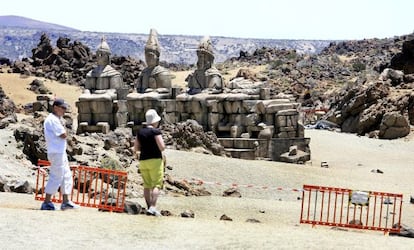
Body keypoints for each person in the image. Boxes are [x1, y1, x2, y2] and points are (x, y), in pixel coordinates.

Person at [41, 98, 79, 210]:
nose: (64, 110)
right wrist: (66, 130)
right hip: (56, 151)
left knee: (66, 175)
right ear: (55, 107)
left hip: (59, 151)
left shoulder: (56, 119)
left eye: (65, 108)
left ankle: (66, 201)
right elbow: (63, 134)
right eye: (62, 108)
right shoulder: (52, 119)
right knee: (56, 175)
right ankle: (47, 201)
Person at [134, 109, 165, 216]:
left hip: (143, 160)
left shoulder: (140, 132)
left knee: (147, 185)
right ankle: (153, 207)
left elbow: (136, 148)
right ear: (155, 121)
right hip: (155, 160)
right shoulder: (156, 132)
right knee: (156, 184)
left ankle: (148, 207)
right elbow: (162, 147)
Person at [136, 29, 171, 93]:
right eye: (146, 56)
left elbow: (167, 90)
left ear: (157, 56)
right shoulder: (144, 72)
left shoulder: (162, 72)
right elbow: (138, 89)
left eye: (150, 56)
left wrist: (154, 91)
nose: (147, 59)